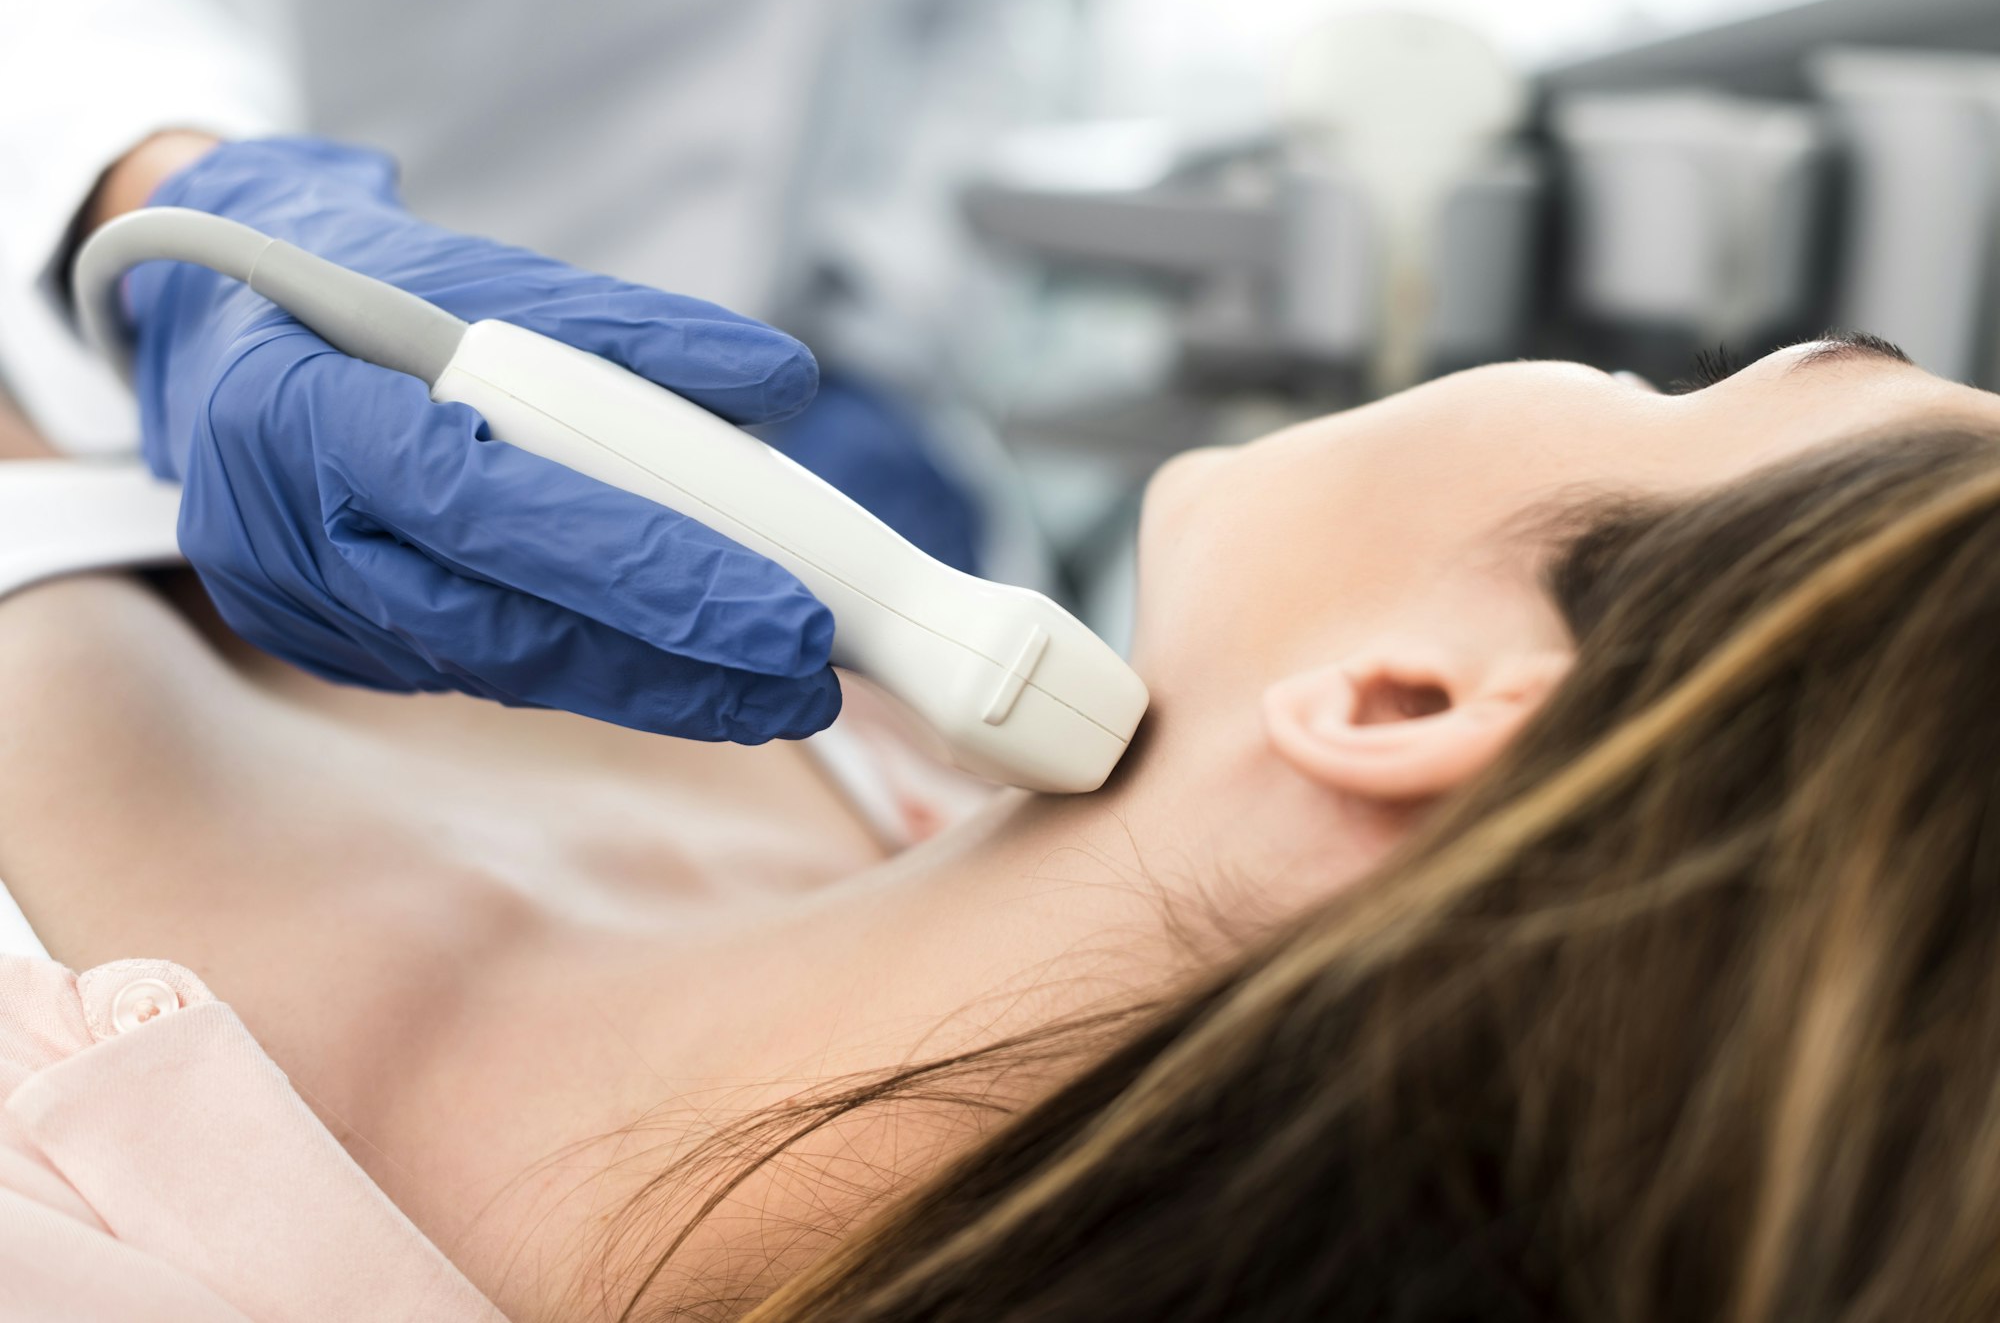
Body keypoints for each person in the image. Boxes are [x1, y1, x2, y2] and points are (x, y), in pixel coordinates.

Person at [4, 328, 1997, 1320]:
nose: (1590, 363)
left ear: (1409, 699)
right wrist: (142, 188)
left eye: (1709, 377)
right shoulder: (822, 694)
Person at [0, 0, 1058, 744]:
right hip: (368, 321)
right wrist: (196, 210)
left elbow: (957, 47)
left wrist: (882, 340)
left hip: (802, 359)